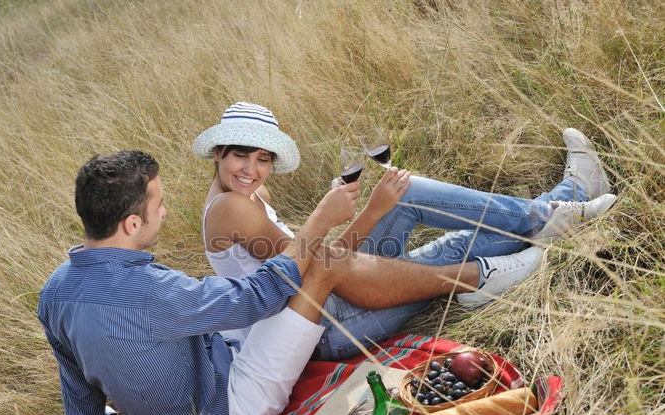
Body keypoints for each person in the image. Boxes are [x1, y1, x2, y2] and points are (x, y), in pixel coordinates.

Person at [38, 150, 542, 415]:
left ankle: (519, 236)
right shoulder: (143, 289)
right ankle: (479, 276)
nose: (166, 211)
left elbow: (77, 388)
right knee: (322, 268)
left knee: (342, 262)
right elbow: (257, 296)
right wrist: (320, 219)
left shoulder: (56, 292)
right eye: (158, 203)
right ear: (130, 224)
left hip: (219, 358)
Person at [194, 102, 617, 361]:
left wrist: (352, 212)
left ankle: (552, 212)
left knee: (407, 192)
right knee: (438, 241)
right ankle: (565, 202)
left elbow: (319, 262)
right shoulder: (232, 207)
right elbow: (317, 271)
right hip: (329, 326)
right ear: (218, 152)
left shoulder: (243, 191)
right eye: (240, 156)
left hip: (331, 295)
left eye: (263, 158)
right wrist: (353, 215)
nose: (251, 169)